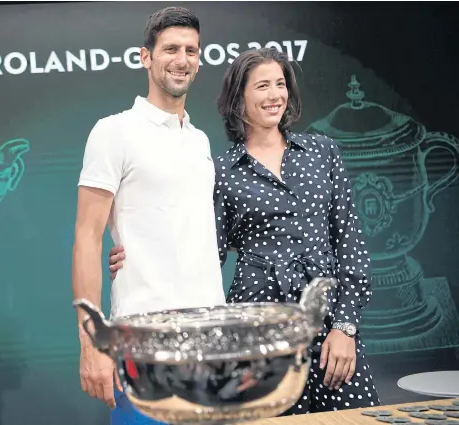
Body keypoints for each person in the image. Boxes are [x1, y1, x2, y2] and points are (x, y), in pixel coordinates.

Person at [108, 47, 381, 414]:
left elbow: (350, 242)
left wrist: (345, 327)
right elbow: (200, 252)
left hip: (330, 325)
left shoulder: (322, 151)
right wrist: (139, 257)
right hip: (258, 336)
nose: (275, 96)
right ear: (239, 98)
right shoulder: (220, 173)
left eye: (281, 84)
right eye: (262, 86)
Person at [71, 6, 225, 425]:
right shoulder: (113, 132)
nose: (182, 60)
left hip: (210, 342)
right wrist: (91, 345)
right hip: (141, 342)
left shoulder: (199, 140)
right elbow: (87, 237)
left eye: (191, 50)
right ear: (145, 57)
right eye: (171, 48)